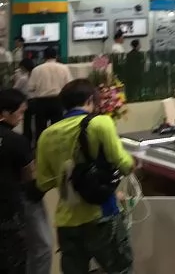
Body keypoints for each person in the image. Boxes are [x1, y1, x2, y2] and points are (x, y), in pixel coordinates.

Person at [36, 79, 135, 274]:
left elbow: (43, 182)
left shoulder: (46, 135)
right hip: (101, 216)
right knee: (120, 269)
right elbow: (124, 164)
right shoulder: (100, 123)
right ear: (90, 100)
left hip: (66, 222)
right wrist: (133, 164)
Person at [0, 88, 31, 274]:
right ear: (5, 113)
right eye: (20, 113)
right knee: (13, 263)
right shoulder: (16, 140)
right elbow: (29, 174)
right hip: (8, 212)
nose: (21, 118)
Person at [27, 47, 72, 143]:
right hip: (58, 101)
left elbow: (30, 88)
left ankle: (41, 147)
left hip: (41, 102)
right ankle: (57, 146)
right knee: (58, 127)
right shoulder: (64, 68)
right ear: (56, 56)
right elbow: (69, 85)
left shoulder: (37, 69)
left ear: (44, 56)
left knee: (40, 129)